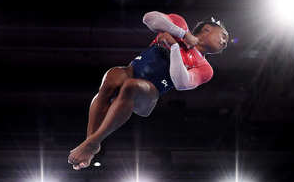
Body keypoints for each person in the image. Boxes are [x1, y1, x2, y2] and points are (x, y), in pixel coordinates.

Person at [67, 11, 229, 170]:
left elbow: (181, 82)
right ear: (207, 28)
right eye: (223, 36)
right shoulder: (180, 25)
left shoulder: (205, 68)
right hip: (131, 70)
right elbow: (149, 19)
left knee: (132, 86)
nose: (224, 42)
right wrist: (182, 34)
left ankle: (93, 142)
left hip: (150, 92)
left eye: (225, 41)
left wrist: (173, 47)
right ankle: (90, 144)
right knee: (112, 75)